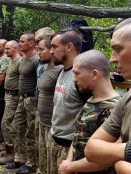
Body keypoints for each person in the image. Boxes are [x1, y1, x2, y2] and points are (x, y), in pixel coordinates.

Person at [58, 50, 119, 174]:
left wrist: (70, 167)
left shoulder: (112, 108)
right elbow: (77, 135)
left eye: (76, 74)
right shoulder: (91, 100)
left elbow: (107, 158)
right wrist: (69, 162)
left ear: (94, 74)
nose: (74, 79)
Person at [84, 18, 131, 173]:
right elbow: (91, 150)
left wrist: (116, 157)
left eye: (118, 49)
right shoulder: (127, 98)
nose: (112, 58)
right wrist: (127, 150)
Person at [49, 29, 87, 174]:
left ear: (69, 47)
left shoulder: (81, 77)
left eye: (54, 46)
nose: (51, 51)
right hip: (54, 140)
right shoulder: (61, 71)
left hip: (70, 149)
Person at [7, 33, 39, 174]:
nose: (19, 43)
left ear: (32, 43)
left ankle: (31, 163)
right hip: (21, 98)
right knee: (16, 127)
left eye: (22, 41)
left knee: (30, 132)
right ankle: (20, 158)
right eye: (19, 41)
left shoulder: (36, 60)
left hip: (31, 100)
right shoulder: (23, 59)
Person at [35, 35, 63, 174]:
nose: (38, 52)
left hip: (53, 125)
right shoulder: (46, 68)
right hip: (42, 121)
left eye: (41, 49)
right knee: (43, 159)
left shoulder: (59, 71)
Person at [0, 40, 22, 164]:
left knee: (6, 123)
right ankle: (9, 148)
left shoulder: (20, 62)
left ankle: (11, 151)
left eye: (8, 49)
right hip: (8, 94)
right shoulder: (10, 61)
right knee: (7, 122)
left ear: (15, 48)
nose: (5, 51)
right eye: (5, 48)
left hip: (14, 97)